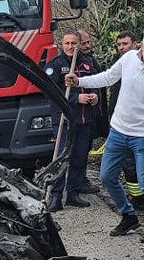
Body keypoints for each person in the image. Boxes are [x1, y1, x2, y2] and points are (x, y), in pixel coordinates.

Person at [66, 32, 144, 248]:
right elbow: (107, 78)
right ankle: (128, 216)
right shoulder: (128, 59)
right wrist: (80, 81)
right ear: (142, 45)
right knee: (107, 177)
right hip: (118, 131)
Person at [42, 31, 102, 211]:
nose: (70, 47)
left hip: (85, 120)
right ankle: (55, 196)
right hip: (64, 121)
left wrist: (94, 97)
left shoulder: (88, 63)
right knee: (61, 158)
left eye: (74, 43)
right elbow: (51, 92)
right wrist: (76, 99)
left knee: (80, 157)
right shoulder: (55, 65)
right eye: (67, 43)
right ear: (62, 44)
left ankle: (73, 194)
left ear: (79, 44)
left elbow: (96, 84)